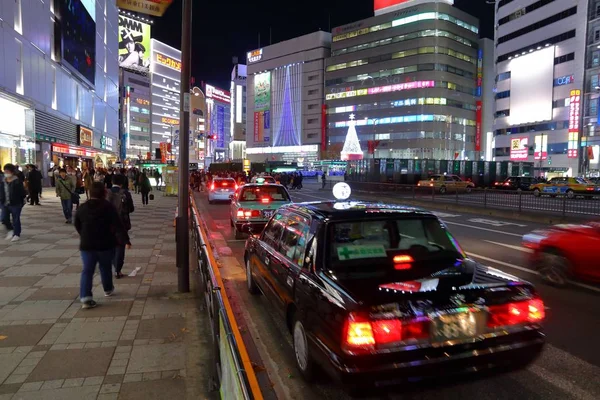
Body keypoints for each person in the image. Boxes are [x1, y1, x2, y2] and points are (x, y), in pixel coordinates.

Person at [75, 182, 130, 309]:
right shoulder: (108, 207)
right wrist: (125, 240)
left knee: (87, 270)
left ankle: (85, 297)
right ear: (104, 193)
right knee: (105, 267)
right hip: (105, 243)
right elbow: (118, 225)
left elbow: (77, 224)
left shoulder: (82, 207)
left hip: (87, 244)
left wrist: (83, 235)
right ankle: (108, 289)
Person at [108, 175, 134, 279]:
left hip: (108, 223)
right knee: (120, 245)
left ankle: (112, 265)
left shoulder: (106, 192)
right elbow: (131, 209)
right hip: (122, 223)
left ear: (111, 181)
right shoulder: (125, 193)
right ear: (122, 183)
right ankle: (117, 270)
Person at [0, 164, 26, 242]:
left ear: (12, 172)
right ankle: (10, 229)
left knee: (16, 219)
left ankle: (16, 234)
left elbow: (22, 193)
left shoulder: (17, 181)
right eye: (5, 171)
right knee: (3, 218)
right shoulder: (2, 181)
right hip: (4, 203)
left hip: (16, 203)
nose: (6, 173)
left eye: (7, 171)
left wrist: (21, 202)